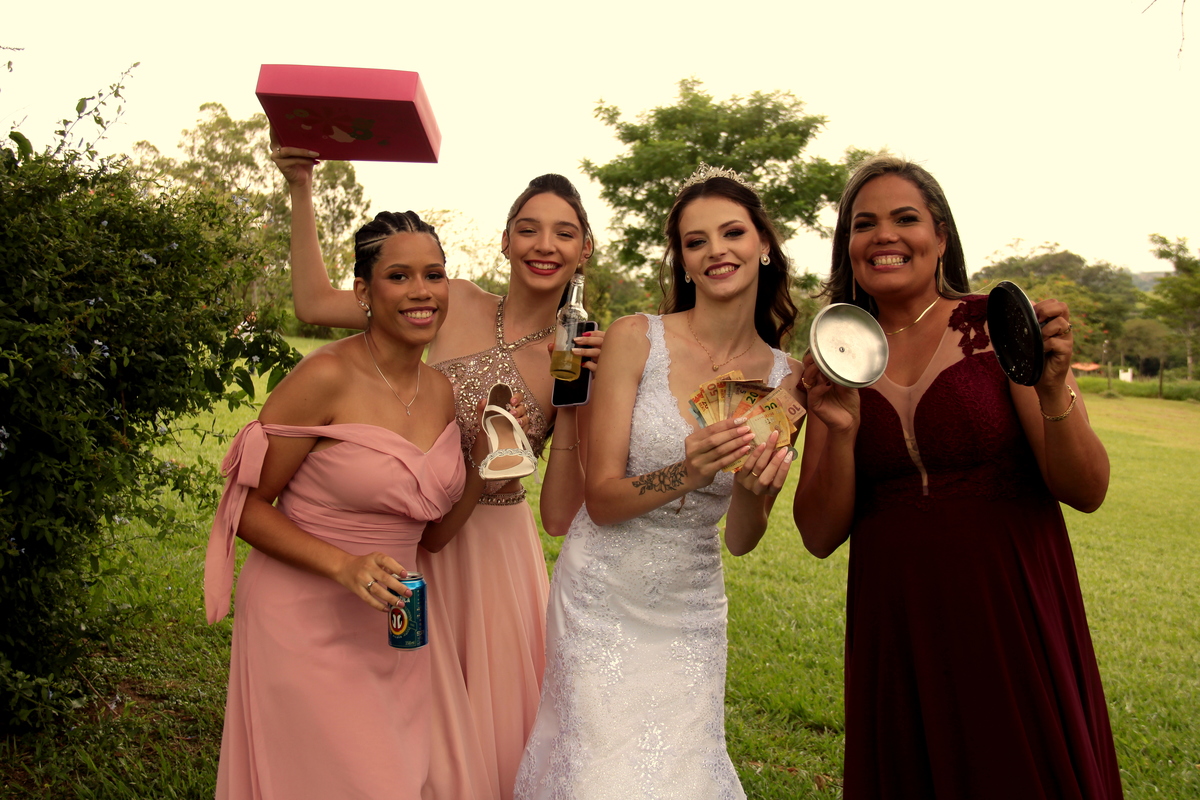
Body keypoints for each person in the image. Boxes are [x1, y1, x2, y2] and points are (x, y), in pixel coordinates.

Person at [273, 147, 601, 800]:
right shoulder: (448, 300)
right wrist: (301, 186)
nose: (544, 244)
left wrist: (581, 405)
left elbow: (558, 516)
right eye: (529, 228)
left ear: (585, 250)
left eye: (564, 232)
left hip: (492, 559)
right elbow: (312, 302)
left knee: (480, 747)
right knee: (393, 730)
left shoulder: (580, 349)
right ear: (505, 240)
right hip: (403, 541)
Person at [793, 154, 1123, 799]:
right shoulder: (834, 355)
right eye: (864, 224)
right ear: (848, 247)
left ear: (940, 236)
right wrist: (839, 431)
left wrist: (1053, 388)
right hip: (898, 619)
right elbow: (819, 533)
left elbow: (1087, 489)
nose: (884, 235)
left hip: (1009, 605)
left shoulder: (997, 326)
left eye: (905, 218)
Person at [515, 165, 801, 800]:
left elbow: (741, 540)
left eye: (732, 232)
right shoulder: (635, 339)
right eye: (696, 241)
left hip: (693, 605)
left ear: (763, 244)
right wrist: (688, 470)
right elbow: (604, 499)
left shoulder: (787, 379)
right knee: (596, 777)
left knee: (679, 776)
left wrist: (757, 494)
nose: (716, 251)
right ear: (684, 260)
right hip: (602, 594)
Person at [204, 210, 497, 798]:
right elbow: (248, 509)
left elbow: (432, 538)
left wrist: (484, 467)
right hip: (304, 617)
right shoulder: (325, 375)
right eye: (399, 276)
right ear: (364, 290)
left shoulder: (441, 392)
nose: (422, 292)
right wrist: (343, 565)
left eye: (435, 275)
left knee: (397, 775)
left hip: (394, 621)